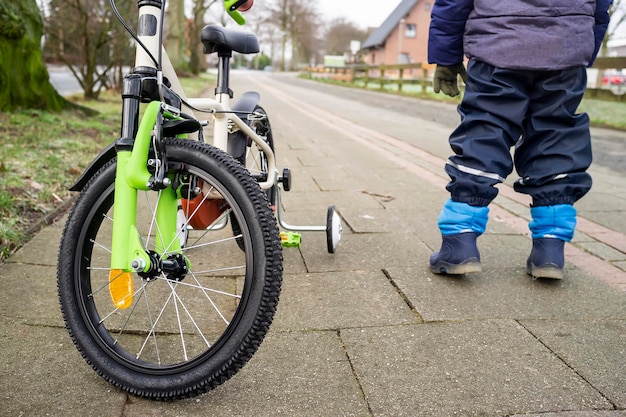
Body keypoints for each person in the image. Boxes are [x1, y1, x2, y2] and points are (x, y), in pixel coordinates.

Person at [427, 0, 612, 279]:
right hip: (567, 45)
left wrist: (447, 56)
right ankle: (550, 249)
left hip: (498, 42)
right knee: (556, 138)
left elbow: (453, 3)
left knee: (486, 132)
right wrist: (582, 47)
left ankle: (459, 239)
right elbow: (601, 7)